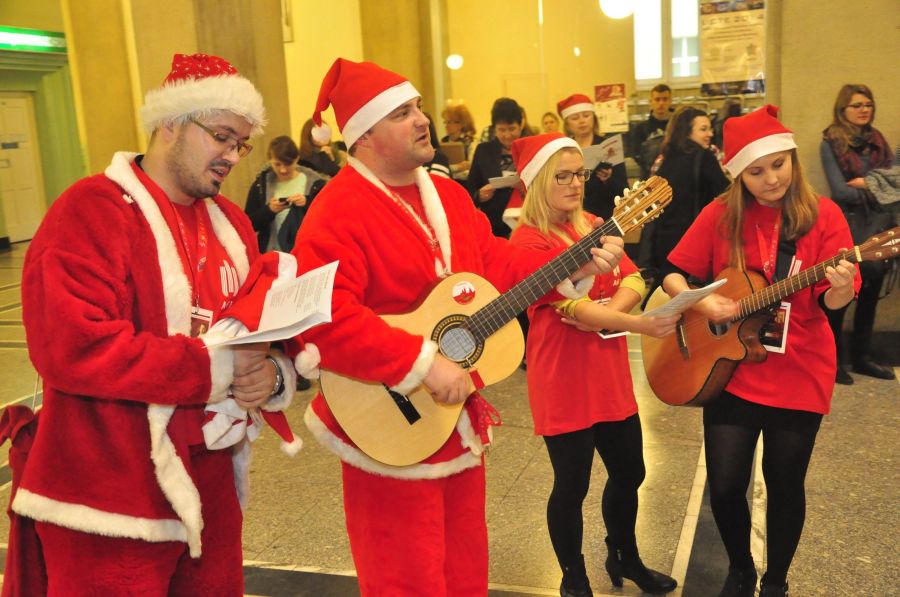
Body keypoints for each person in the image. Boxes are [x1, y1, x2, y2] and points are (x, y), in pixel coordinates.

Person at [291, 58, 624, 596]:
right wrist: (419, 362)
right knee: (406, 574)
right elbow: (325, 316)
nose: (422, 120)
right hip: (387, 423)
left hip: (454, 420)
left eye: (419, 106)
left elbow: (490, 259)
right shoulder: (336, 212)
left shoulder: (444, 195)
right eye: (403, 113)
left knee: (465, 567)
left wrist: (572, 264)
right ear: (366, 135)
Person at [11, 53, 298, 595]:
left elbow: (259, 323)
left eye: (242, 144)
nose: (233, 156)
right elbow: (74, 347)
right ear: (171, 124)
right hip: (109, 488)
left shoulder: (232, 222)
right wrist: (215, 367)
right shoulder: (91, 210)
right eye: (221, 137)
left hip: (209, 481)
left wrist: (273, 373)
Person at [661, 105, 860, 597]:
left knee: (785, 483)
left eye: (779, 164)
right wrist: (705, 301)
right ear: (738, 175)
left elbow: (836, 298)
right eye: (756, 171)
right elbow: (673, 275)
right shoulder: (719, 215)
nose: (771, 179)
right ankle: (740, 568)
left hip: (801, 367)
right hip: (732, 369)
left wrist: (840, 287)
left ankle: (775, 580)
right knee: (726, 485)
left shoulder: (824, 216)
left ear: (792, 158)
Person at [508, 133, 679, 596]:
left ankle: (625, 557)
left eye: (578, 173)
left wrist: (619, 313)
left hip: (607, 369)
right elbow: (572, 311)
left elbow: (634, 278)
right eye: (561, 176)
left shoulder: (595, 224)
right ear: (538, 182)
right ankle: (573, 575)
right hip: (562, 376)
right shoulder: (527, 242)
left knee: (630, 472)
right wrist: (636, 325)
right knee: (571, 484)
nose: (574, 183)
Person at [820, 84, 896, 383]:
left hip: (878, 226)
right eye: (857, 105)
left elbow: (896, 183)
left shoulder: (879, 140)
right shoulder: (831, 142)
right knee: (841, 293)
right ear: (843, 110)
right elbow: (840, 191)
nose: (865, 109)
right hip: (845, 228)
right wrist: (880, 184)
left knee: (870, 295)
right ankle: (835, 360)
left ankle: (862, 357)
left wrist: (865, 183)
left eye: (868, 104)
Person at [643, 106, 730, 286]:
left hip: (664, 241)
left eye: (710, 128)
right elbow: (726, 192)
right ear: (687, 132)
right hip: (691, 240)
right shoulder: (704, 156)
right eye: (703, 129)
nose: (710, 134)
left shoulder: (665, 158)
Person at [244, 135, 328, 253]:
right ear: (270, 161)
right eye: (277, 164)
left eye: (288, 164)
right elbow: (248, 225)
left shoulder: (315, 184)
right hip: (272, 255)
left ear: (297, 159)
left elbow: (327, 218)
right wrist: (269, 210)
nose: (283, 170)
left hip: (307, 254)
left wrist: (307, 202)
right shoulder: (260, 186)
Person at [558, 94, 629, 221]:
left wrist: (608, 180)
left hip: (605, 216)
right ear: (567, 124)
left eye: (586, 115)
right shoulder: (563, 150)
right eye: (575, 118)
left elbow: (624, 190)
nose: (581, 121)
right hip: (572, 217)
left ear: (594, 119)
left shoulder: (609, 147)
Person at [467, 97, 528, 238]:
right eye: (501, 130)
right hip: (493, 228)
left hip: (527, 224)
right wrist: (479, 196)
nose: (507, 135)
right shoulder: (484, 151)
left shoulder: (530, 148)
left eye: (512, 129)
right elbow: (469, 190)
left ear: (521, 124)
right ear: (494, 129)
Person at [630, 84, 673, 179]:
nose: (661, 103)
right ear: (651, 102)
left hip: (673, 176)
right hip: (648, 178)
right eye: (657, 99)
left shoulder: (678, 126)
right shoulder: (640, 128)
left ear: (670, 101)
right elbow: (636, 155)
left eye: (665, 99)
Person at [440, 103, 476, 177]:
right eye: (445, 122)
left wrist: (451, 168)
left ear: (461, 124)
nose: (446, 126)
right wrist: (458, 167)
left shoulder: (471, 143)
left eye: (449, 122)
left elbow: (472, 166)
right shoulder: (443, 142)